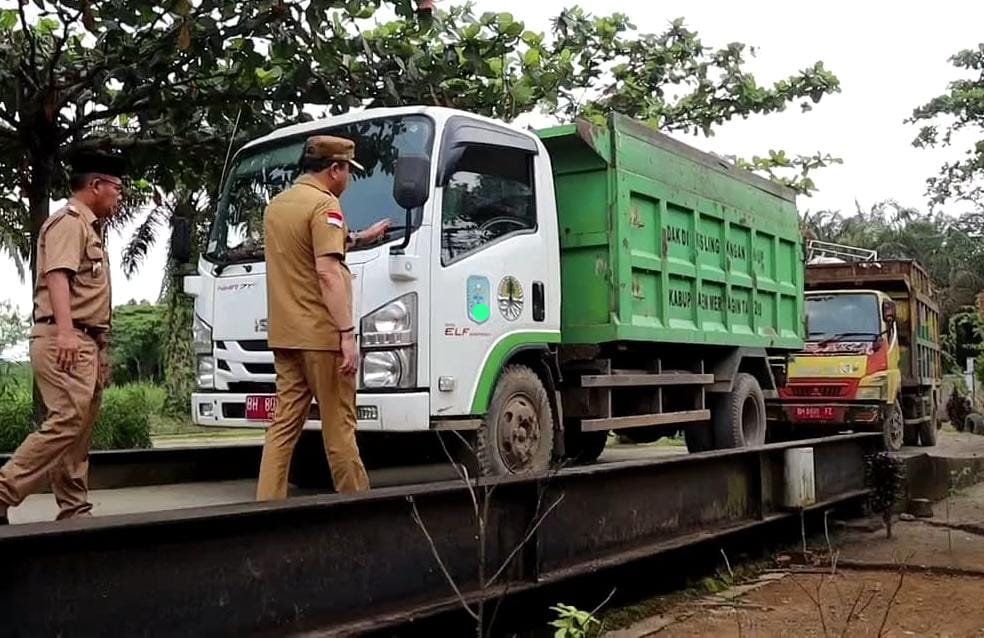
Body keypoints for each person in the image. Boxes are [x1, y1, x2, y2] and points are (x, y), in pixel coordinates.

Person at [256, 135, 391, 500]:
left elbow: (305, 246)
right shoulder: (325, 206)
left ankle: (265, 508)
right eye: (348, 170)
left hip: (286, 337)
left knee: (282, 427)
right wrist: (347, 334)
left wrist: (360, 238)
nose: (348, 179)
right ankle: (355, 507)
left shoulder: (278, 206)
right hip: (322, 338)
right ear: (335, 169)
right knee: (340, 428)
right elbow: (327, 272)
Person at [0, 150, 125, 524]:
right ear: (96, 185)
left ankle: (73, 509)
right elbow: (58, 276)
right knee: (67, 420)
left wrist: (99, 349)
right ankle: (3, 491)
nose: (120, 196)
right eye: (117, 188)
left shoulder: (90, 228)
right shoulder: (68, 223)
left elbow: (90, 295)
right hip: (63, 335)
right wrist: (68, 333)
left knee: (78, 428)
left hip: (84, 340)